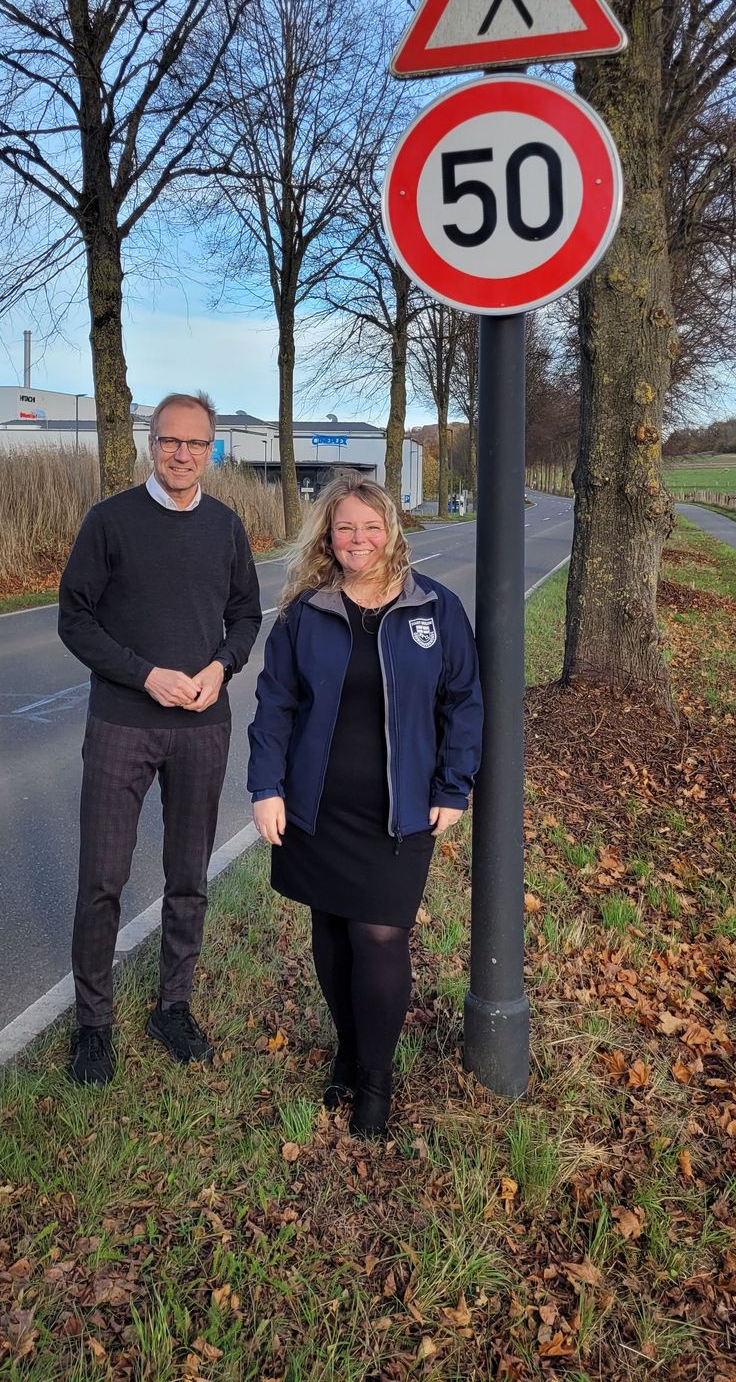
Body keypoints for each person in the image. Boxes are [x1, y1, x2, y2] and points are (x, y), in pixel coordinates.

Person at [247, 475, 482, 1138]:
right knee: (331, 931)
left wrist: (454, 785)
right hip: (318, 805)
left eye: (371, 526)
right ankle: (347, 1055)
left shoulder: (434, 607)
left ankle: (377, 1082)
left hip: (398, 811)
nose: (359, 539)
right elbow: (275, 704)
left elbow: (463, 701)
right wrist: (266, 787)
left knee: (379, 936)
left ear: (392, 531)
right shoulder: (305, 611)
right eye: (346, 527)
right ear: (328, 534)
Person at [58, 392, 262, 1086]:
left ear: (211, 450)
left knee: (188, 875)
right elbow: (75, 619)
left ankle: (173, 1007)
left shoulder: (227, 527)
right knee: (102, 879)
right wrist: (144, 675)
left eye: (195, 443)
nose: (182, 454)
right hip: (122, 724)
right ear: (152, 444)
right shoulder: (109, 521)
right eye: (171, 441)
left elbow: (246, 616)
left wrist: (220, 666)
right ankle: (93, 1025)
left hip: (202, 726)